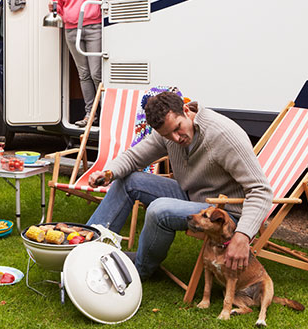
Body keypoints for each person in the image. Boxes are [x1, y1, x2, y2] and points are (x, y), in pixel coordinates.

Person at [86, 89, 273, 280]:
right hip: (191, 196)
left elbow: (261, 190)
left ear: (186, 109)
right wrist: (109, 172)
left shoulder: (223, 135)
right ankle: (85, 249)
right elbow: (134, 157)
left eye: (178, 128)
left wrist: (243, 235)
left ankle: (139, 270)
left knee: (160, 209)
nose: (176, 138)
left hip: (225, 211)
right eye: (168, 135)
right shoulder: (168, 131)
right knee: (128, 180)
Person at [57, 0, 101, 127]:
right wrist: (56, 8)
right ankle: (90, 115)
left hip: (94, 26)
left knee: (96, 73)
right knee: (84, 74)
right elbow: (58, 3)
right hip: (71, 29)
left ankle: (107, 111)